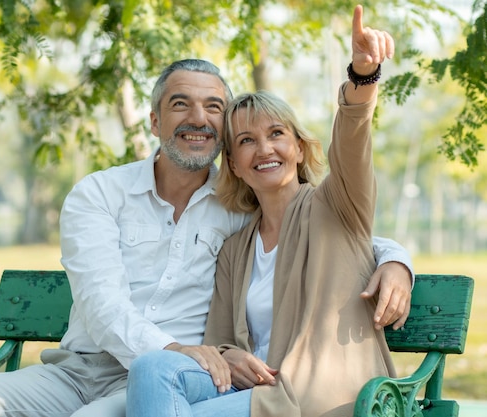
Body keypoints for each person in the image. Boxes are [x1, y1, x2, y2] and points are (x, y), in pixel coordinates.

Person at [0, 55, 411, 416]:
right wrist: (195, 352)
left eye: (212, 108)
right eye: (180, 105)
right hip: (89, 370)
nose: (197, 119)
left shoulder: (248, 211)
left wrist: (394, 260)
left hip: (209, 381)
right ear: (155, 121)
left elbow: (346, 221)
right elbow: (104, 307)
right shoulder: (105, 195)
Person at [126, 5, 398, 417]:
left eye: (277, 134)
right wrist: (228, 355)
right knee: (152, 369)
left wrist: (362, 77)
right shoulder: (236, 248)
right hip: (250, 390)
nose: (265, 149)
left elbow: (353, 136)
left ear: (300, 147)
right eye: (248, 141)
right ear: (233, 163)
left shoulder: (337, 205)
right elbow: (219, 342)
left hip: (316, 399)